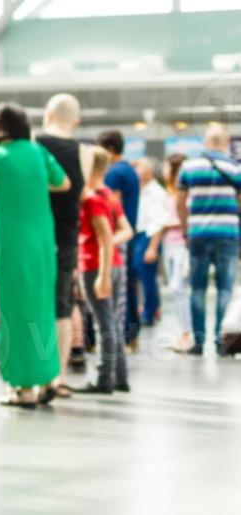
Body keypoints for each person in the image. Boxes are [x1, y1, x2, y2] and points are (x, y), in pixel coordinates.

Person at [0, 102, 69, 409]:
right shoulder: (38, 152)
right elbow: (64, 183)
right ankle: (49, 378)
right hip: (43, 245)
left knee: (14, 314)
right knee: (42, 310)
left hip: (12, 247)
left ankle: (22, 389)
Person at [35, 93, 89, 396]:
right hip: (68, 236)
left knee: (35, 301)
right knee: (63, 305)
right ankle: (59, 377)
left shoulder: (34, 143)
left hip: (36, 233)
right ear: (75, 121)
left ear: (47, 115)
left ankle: (36, 372)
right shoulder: (85, 152)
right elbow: (81, 196)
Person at [176, 124, 241, 357]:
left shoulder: (189, 167)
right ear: (225, 143)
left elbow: (180, 201)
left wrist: (185, 229)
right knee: (225, 289)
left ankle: (199, 342)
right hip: (228, 235)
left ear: (206, 142)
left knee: (198, 289)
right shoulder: (235, 167)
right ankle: (221, 340)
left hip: (198, 234)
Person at [75, 150, 131, 394]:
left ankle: (103, 379)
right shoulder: (109, 196)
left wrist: (103, 270)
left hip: (97, 265)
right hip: (112, 264)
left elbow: (105, 235)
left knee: (103, 324)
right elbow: (125, 230)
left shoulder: (92, 199)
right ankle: (119, 377)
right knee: (112, 323)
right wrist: (109, 243)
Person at [97, 130, 141, 350]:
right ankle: (131, 335)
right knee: (128, 286)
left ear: (111, 149)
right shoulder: (130, 171)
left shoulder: (114, 173)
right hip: (130, 233)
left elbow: (111, 206)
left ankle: (122, 335)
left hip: (117, 236)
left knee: (118, 290)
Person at [149, 154, 191, 348]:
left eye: (167, 168)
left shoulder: (187, 194)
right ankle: (183, 333)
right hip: (169, 244)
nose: (164, 172)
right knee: (175, 291)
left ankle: (188, 335)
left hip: (183, 244)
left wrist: (167, 223)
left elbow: (188, 218)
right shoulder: (168, 193)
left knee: (178, 287)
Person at [134, 157, 168, 327]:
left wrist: (152, 247)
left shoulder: (156, 192)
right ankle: (149, 309)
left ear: (148, 171)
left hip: (148, 236)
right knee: (143, 277)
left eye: (139, 168)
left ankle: (150, 312)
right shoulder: (140, 189)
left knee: (147, 277)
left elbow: (158, 221)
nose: (136, 171)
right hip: (139, 235)